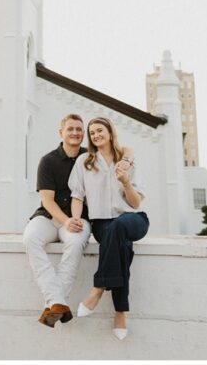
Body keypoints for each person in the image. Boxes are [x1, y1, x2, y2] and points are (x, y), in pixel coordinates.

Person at [23, 113, 133, 327]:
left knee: (74, 244)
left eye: (79, 129)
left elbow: (125, 149)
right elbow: (47, 200)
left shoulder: (90, 157)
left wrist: (126, 161)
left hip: (79, 219)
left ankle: (55, 304)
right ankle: (57, 300)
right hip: (50, 216)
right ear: (61, 132)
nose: (75, 132)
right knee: (30, 239)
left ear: (84, 134)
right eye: (70, 129)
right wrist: (65, 221)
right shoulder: (48, 161)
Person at [70, 116, 149, 341]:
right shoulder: (84, 161)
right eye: (92, 132)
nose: (96, 135)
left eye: (100, 130)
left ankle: (97, 289)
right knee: (121, 244)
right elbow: (77, 195)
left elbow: (136, 204)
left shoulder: (127, 161)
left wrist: (125, 181)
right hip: (102, 223)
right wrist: (75, 218)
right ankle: (120, 312)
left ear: (110, 132)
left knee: (120, 227)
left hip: (133, 219)